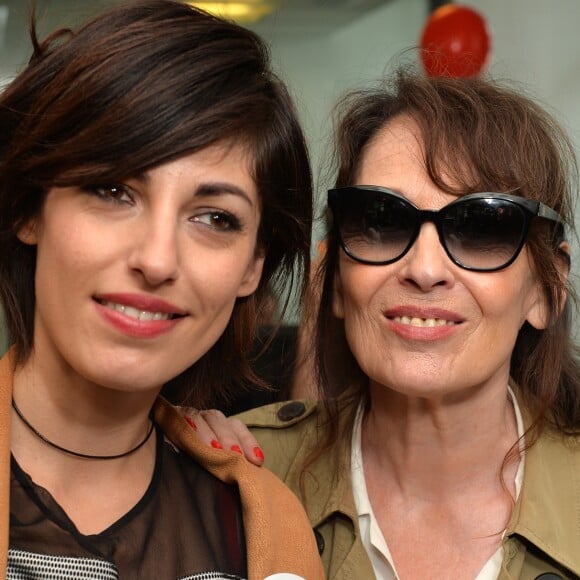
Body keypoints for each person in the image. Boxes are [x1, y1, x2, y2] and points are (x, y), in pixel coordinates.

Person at [199, 67, 580, 579]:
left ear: (547, 289)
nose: (424, 270)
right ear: (334, 279)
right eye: (380, 221)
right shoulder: (233, 479)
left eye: (481, 228)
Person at [0, 1, 325, 578]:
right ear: (31, 209)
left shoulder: (261, 527)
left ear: (254, 265)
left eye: (215, 218)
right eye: (111, 190)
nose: (156, 260)